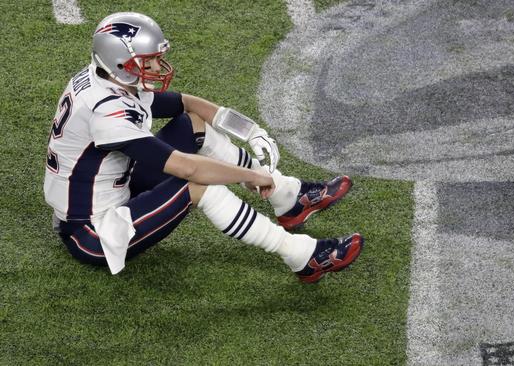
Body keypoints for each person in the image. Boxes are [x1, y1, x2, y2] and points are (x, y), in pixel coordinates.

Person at [43, 12, 363, 283]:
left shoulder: (106, 79)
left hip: (114, 188)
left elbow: (186, 104)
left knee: (193, 124)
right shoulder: (107, 113)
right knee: (197, 186)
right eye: (148, 61)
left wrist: (250, 130)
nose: (157, 66)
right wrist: (254, 174)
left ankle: (288, 198)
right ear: (122, 63)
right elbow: (189, 168)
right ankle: (301, 256)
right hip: (93, 231)